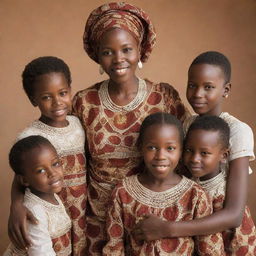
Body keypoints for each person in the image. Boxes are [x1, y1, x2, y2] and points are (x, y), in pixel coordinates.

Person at [72, 2, 190, 254]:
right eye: (108, 52)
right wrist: (19, 199)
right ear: (97, 55)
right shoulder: (84, 102)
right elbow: (59, 152)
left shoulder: (163, 98)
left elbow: (192, 150)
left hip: (151, 220)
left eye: (127, 49)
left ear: (140, 50)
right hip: (99, 221)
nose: (118, 59)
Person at [133, 51, 255, 243]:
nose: (198, 94)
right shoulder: (187, 124)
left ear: (226, 89)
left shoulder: (238, 130)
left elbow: (234, 215)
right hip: (191, 216)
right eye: (192, 85)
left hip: (223, 229)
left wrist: (166, 228)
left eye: (208, 87)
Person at [103, 112, 225, 255]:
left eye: (170, 148)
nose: (161, 156)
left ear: (181, 150)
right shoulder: (122, 192)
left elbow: (210, 250)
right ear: (140, 147)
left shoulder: (195, 195)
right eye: (152, 147)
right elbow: (114, 247)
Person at [8, 56, 87, 255]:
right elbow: (20, 177)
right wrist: (16, 207)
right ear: (33, 99)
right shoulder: (31, 137)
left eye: (62, 93)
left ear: (70, 89)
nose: (57, 102)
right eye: (46, 97)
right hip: (49, 206)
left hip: (80, 207)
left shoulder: (77, 124)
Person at [184, 115, 256, 255]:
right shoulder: (188, 185)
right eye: (189, 150)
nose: (194, 159)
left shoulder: (222, 196)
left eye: (204, 153)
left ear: (224, 156)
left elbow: (241, 245)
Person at [4, 135, 71, 256]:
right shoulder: (35, 212)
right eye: (40, 170)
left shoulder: (51, 195)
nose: (52, 173)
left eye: (55, 164)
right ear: (24, 180)